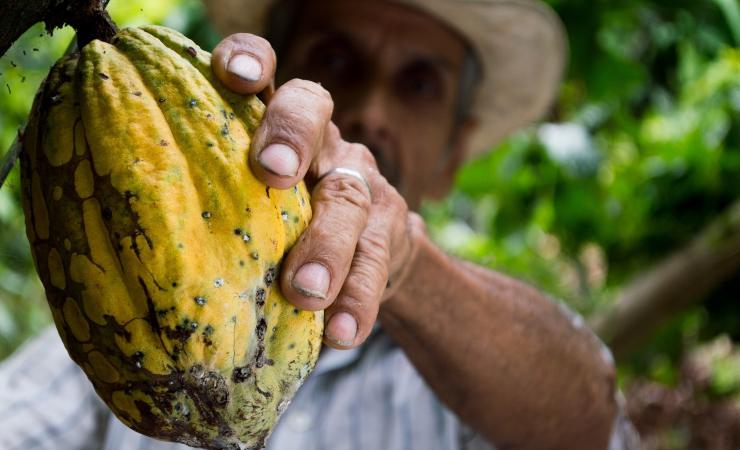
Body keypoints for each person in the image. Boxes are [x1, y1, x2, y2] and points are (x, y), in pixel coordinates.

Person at [0, 0, 640, 449]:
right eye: (335, 58)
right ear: (258, 86)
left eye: (420, 83)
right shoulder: (124, 312)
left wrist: (405, 263)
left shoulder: (475, 381)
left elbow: (586, 420)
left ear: (455, 152)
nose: (370, 109)